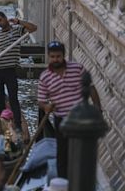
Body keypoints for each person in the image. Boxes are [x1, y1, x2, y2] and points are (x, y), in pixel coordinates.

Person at [38, 41, 101, 179]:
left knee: (81, 151)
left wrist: (98, 109)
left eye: (58, 56)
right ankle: (63, 181)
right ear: (49, 56)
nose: (56, 59)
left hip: (80, 119)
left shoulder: (77, 68)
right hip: (61, 119)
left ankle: (81, 178)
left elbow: (90, 87)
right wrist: (46, 107)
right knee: (63, 152)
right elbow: (41, 101)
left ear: (64, 55)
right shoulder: (45, 77)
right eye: (53, 56)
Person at [0, 12, 37, 133]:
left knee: (13, 98)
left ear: (5, 18)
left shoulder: (17, 30)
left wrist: (19, 21)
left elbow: (33, 28)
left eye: (0, 20)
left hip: (10, 70)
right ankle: (4, 124)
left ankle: (18, 125)